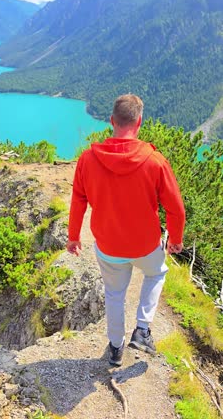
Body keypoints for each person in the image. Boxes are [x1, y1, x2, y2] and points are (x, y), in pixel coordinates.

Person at [67, 94, 185, 367]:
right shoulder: (155, 161)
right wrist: (175, 239)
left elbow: (78, 199)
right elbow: (176, 209)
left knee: (115, 294)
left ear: (112, 121)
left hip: (108, 246)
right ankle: (142, 330)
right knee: (156, 274)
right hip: (145, 244)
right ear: (139, 122)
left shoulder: (87, 159)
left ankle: (116, 348)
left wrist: (74, 237)